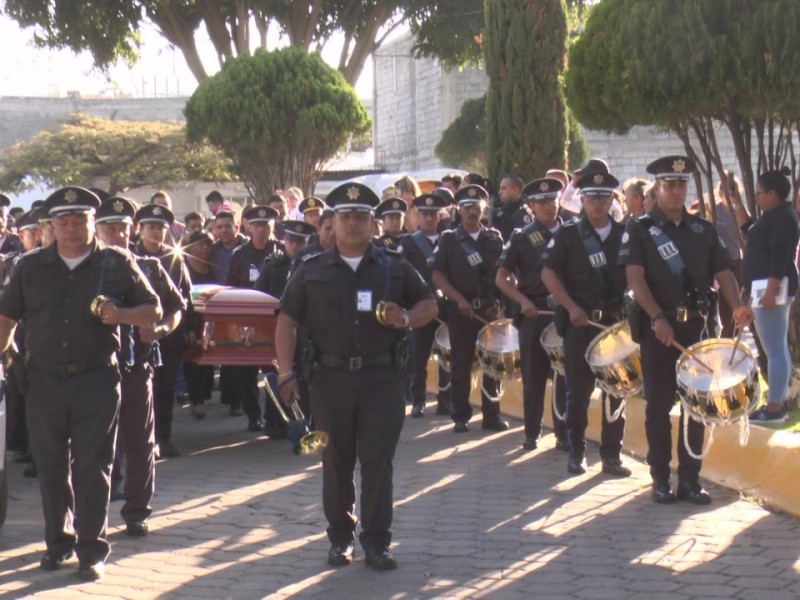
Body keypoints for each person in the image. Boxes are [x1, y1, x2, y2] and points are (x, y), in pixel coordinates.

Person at [0, 186, 161, 581]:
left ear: (93, 224)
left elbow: (153, 309)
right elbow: (6, 318)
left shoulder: (116, 262)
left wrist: (119, 314)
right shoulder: (30, 266)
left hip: (97, 380)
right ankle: (59, 544)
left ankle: (92, 550)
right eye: (64, 222)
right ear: (51, 226)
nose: (71, 229)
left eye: (79, 221)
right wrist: (4, 358)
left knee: (94, 466)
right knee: (51, 466)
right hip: (43, 380)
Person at [275, 182, 437, 570]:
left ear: (372, 223)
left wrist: (408, 318)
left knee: (378, 462)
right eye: (344, 217)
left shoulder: (394, 266)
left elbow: (429, 303)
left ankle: (377, 542)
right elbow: (287, 320)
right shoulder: (310, 269)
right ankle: (340, 538)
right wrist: (285, 373)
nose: (352, 224)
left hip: (382, 380)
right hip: (329, 380)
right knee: (336, 461)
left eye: (360, 218)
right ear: (332, 223)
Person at [620, 155, 751, 505]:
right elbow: (635, 279)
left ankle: (690, 479)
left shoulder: (703, 229)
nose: (676, 190)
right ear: (658, 188)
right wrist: (657, 318)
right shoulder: (640, 229)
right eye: (669, 184)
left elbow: (723, 272)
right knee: (659, 406)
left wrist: (737, 304)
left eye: (681, 184)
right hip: (659, 329)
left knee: (697, 405)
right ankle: (660, 477)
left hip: (698, 328)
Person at [95, 196, 185, 536]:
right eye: (110, 228)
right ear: (98, 231)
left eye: (123, 228)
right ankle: (93, 514)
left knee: (139, 441)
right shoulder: (87, 270)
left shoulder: (149, 266)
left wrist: (161, 329)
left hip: (136, 366)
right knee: (95, 445)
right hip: (94, 370)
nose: (117, 234)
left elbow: (176, 308)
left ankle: (136, 511)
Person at [541, 172, 631, 477]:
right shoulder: (567, 235)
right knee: (578, 391)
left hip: (615, 325)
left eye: (604, 197)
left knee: (616, 389)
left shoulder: (625, 234)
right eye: (592, 196)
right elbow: (548, 274)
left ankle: (612, 455)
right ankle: (577, 451)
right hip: (581, 323)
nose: (598, 202)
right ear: (582, 200)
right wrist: (571, 306)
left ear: (612, 200)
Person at [495, 177, 569, 451]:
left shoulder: (571, 233)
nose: (548, 206)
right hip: (534, 313)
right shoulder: (522, 237)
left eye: (552, 200)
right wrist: (521, 300)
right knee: (534, 376)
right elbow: (501, 278)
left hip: (564, 314)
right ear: (531, 205)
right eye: (541, 202)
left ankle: (564, 433)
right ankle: (532, 431)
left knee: (564, 376)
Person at [431, 184, 508, 434]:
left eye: (476, 206)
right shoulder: (449, 240)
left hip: (489, 311)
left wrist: (504, 307)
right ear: (458, 211)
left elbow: (504, 273)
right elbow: (437, 274)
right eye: (466, 207)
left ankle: (491, 415)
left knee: (492, 364)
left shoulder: (494, 237)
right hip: (461, 311)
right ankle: (461, 415)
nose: (471, 211)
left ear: (483, 209)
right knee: (462, 363)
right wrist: (457, 300)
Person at [739, 168, 800, 422]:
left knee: (774, 350)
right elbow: (750, 229)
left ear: (773, 194)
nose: (759, 198)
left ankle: (774, 408)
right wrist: (735, 201)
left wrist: (771, 290)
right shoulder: (773, 216)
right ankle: (775, 403)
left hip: (772, 289)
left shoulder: (784, 218)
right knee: (777, 349)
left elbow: (780, 256)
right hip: (765, 288)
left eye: (760, 194)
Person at [134, 203, 193, 459]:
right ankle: (140, 441)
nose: (156, 232)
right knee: (137, 389)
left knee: (165, 386)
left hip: (167, 333)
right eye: (151, 227)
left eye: (160, 228)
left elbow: (185, 297)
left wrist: (186, 329)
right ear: (140, 230)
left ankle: (163, 438)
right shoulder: (129, 255)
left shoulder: (174, 257)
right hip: (135, 334)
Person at [255, 219, 315, 437]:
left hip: (307, 329)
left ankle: (304, 421)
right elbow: (259, 294)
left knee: (305, 376)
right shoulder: (272, 265)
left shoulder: (313, 264)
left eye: (301, 241)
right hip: (278, 327)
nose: (295, 245)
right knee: (277, 372)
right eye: (291, 240)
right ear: (284, 241)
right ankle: (274, 421)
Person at [226, 205, 282, 431]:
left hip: (274, 320)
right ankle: (253, 415)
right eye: (257, 225)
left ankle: (273, 415)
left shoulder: (280, 251)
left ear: (272, 227)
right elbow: (229, 287)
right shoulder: (239, 255)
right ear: (249, 228)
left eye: (265, 225)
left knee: (274, 369)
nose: (261, 230)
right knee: (246, 370)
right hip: (247, 320)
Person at [402, 192, 453, 418]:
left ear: (438, 217)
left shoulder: (449, 239)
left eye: (433, 215)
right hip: (421, 305)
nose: (429, 219)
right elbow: (404, 276)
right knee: (420, 355)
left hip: (446, 306)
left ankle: (445, 399)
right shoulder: (409, 243)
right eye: (425, 215)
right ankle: (419, 400)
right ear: (418, 216)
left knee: (446, 355)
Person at [181, 229, 217, 418]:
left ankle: (206, 394)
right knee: (191, 360)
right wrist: (189, 327)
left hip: (209, 319)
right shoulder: (182, 266)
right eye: (200, 244)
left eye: (208, 244)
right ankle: (196, 400)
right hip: (189, 318)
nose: (204, 248)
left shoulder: (213, 267)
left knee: (208, 358)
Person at [491, 174, 533, 241]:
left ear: (515, 190)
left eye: (503, 188)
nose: (499, 192)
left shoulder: (521, 213)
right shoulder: (505, 209)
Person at [210, 210, 247, 284]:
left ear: (236, 228)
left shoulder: (247, 248)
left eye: (228, 226)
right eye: (220, 227)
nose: (224, 230)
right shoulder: (212, 250)